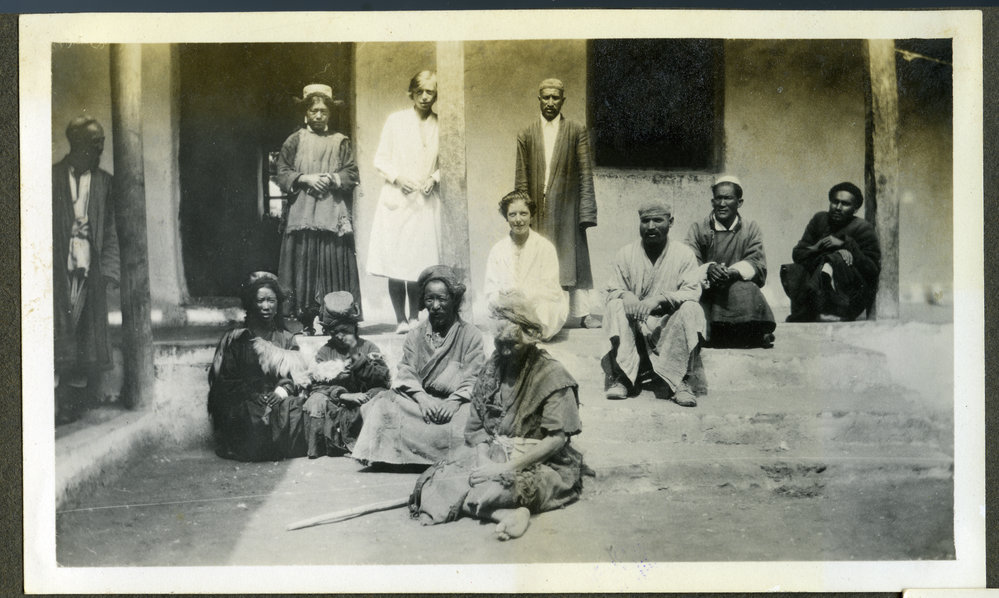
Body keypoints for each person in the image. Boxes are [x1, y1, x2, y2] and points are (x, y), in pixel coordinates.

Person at [408, 291, 585, 541]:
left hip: (539, 463)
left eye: (513, 344)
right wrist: (484, 464)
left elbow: (556, 440)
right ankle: (504, 514)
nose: (506, 352)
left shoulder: (552, 375)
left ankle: (497, 505)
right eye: (500, 344)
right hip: (494, 456)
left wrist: (504, 468)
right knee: (439, 483)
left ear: (529, 339)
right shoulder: (492, 368)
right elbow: (477, 426)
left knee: (504, 488)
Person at [351, 265, 486, 466]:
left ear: (454, 299)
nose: (435, 305)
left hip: (455, 405)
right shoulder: (415, 335)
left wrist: (454, 402)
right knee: (382, 406)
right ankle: (402, 456)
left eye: (442, 299)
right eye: (429, 299)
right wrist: (422, 399)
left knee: (473, 417)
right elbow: (406, 371)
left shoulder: (471, 335)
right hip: (420, 405)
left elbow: (475, 376)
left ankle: (419, 455)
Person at [601, 199, 706, 406]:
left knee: (692, 308)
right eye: (645, 221)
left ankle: (680, 382)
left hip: (668, 325)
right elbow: (611, 290)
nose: (650, 226)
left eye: (657, 220)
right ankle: (623, 377)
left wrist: (659, 299)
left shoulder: (684, 254)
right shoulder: (625, 254)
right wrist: (626, 295)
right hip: (636, 327)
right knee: (614, 305)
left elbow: (692, 291)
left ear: (670, 222)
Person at [276, 84, 361, 334]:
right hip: (302, 213)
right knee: (303, 263)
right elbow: (282, 171)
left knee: (331, 263)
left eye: (324, 110)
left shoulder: (340, 141)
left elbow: (351, 172)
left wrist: (331, 178)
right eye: (313, 110)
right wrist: (305, 178)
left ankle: (334, 319)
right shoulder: (294, 140)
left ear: (330, 113)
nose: (319, 115)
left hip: (331, 212)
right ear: (306, 112)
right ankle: (303, 321)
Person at [514, 78, 599, 329]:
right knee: (536, 259)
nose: (550, 102)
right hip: (537, 210)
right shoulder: (526, 134)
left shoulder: (576, 131)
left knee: (573, 258)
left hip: (567, 207)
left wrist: (585, 212)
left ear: (563, 100)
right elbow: (521, 177)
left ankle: (582, 314)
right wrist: (521, 211)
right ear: (538, 99)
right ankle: (536, 314)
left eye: (555, 97)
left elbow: (585, 172)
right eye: (546, 97)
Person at [53, 116, 120, 424]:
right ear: (77, 143)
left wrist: (108, 271)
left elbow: (112, 232)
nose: (101, 147)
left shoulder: (106, 182)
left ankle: (71, 400)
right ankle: (56, 400)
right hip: (56, 269)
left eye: (102, 142)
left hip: (89, 270)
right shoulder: (52, 177)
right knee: (59, 330)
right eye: (95, 142)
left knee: (83, 334)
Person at [366, 71, 442, 334]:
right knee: (396, 264)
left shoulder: (440, 124)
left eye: (430, 92)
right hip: (397, 200)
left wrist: (435, 177)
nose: (424, 97)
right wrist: (398, 178)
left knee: (419, 264)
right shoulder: (395, 121)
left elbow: (448, 163)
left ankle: (415, 318)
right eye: (419, 91)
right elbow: (380, 159)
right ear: (411, 92)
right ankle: (400, 320)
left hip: (424, 201)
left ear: (435, 95)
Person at [207, 272, 308, 462]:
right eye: (260, 300)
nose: (266, 306)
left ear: (278, 304)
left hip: (275, 398)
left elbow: (296, 376)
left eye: (271, 300)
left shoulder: (286, 339)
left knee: (294, 408)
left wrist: (280, 392)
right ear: (251, 304)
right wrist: (252, 394)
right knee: (248, 414)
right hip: (246, 397)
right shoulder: (238, 338)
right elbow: (226, 378)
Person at [684, 175, 776, 348]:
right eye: (718, 198)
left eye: (728, 198)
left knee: (747, 290)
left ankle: (749, 332)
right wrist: (708, 269)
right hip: (707, 290)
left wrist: (732, 273)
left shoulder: (750, 229)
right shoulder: (698, 228)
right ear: (712, 202)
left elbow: (757, 262)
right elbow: (688, 261)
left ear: (739, 202)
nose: (722, 203)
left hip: (736, 286)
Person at [302, 291, 392, 458]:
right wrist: (343, 395)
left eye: (344, 330)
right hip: (338, 403)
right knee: (316, 400)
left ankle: (368, 445)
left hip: (363, 402)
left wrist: (362, 366)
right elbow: (316, 386)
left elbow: (383, 378)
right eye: (334, 332)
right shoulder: (325, 352)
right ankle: (326, 445)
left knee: (380, 397)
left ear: (354, 326)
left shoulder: (368, 348)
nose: (340, 336)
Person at [781, 182, 882, 322]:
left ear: (855, 208)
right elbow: (798, 254)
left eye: (845, 204)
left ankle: (837, 312)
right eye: (835, 202)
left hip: (850, 296)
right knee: (793, 269)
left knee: (836, 259)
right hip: (818, 290)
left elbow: (872, 269)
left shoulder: (863, 228)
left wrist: (845, 245)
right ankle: (810, 311)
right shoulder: (819, 220)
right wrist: (818, 247)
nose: (838, 208)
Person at [483, 190, 569, 341]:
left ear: (531, 216)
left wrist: (523, 297)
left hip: (536, 305)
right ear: (506, 217)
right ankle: (518, 331)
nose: (518, 220)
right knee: (488, 310)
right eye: (512, 214)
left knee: (546, 309)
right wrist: (506, 297)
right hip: (507, 306)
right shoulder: (497, 250)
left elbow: (551, 288)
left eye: (523, 213)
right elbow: (490, 289)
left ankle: (523, 332)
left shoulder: (545, 247)